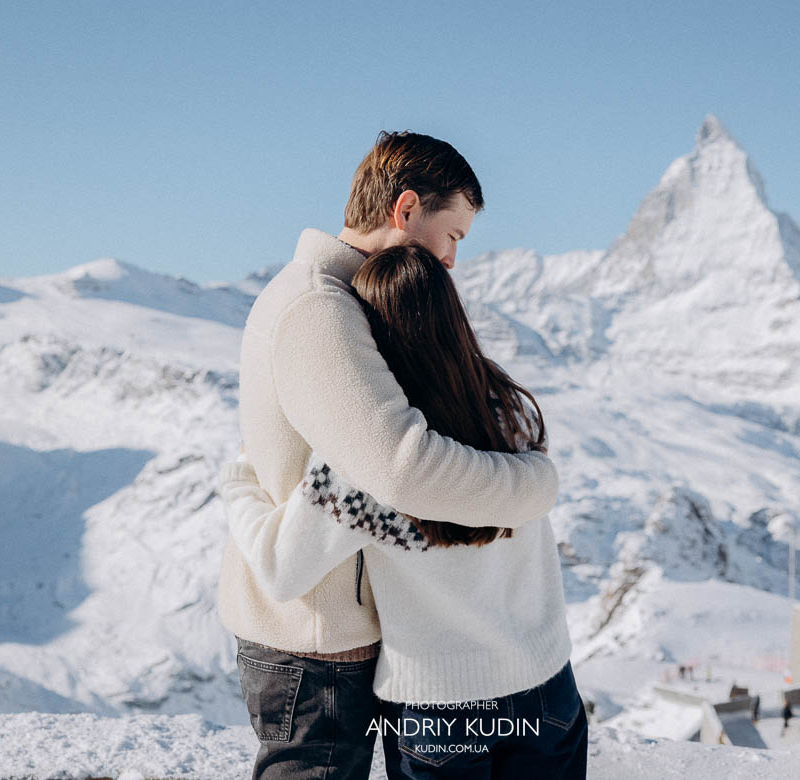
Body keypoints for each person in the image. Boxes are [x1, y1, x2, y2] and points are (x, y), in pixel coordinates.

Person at [219, 132, 560, 780]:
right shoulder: (321, 309)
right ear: (405, 211)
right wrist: (534, 485)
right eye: (453, 233)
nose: (453, 259)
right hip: (313, 641)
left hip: (324, 629)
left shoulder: (337, 301)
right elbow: (401, 468)